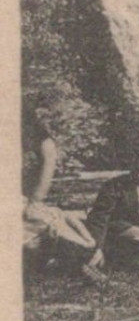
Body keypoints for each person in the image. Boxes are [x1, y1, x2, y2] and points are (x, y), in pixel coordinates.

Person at [22, 106, 96, 272]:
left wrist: (34, 201)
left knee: (54, 220)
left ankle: (85, 252)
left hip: (28, 205)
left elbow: (48, 154)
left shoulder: (41, 141)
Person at [84, 153, 139, 273]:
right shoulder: (114, 186)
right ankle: (115, 262)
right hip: (112, 228)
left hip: (131, 226)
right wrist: (97, 248)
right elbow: (100, 217)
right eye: (137, 170)